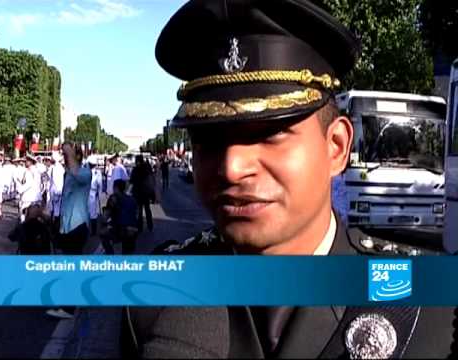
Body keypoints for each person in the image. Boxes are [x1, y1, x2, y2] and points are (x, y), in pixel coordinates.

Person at [121, 1, 456, 358]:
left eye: (270, 133)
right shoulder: (153, 304)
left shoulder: (431, 309)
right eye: (209, 141)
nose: (232, 166)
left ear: (336, 147)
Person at [46, 143, 91, 320]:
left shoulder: (85, 173)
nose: (65, 159)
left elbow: (77, 172)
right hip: (68, 225)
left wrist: (69, 153)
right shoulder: (68, 173)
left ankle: (69, 308)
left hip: (77, 226)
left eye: (68, 157)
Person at [100, 179, 138, 255]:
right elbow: (136, 214)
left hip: (121, 230)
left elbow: (105, 217)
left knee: (102, 233)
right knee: (128, 253)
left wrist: (104, 222)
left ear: (116, 188)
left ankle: (110, 255)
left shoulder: (113, 198)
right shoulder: (132, 199)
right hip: (134, 230)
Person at [129, 155, 154, 232]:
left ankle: (140, 227)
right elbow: (150, 180)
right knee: (147, 209)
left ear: (137, 161)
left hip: (137, 193)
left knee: (139, 211)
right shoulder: (147, 169)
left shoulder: (135, 170)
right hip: (146, 193)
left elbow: (131, 180)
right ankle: (150, 225)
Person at [16, 155, 42, 223]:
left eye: (27, 161)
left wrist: (20, 190)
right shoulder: (35, 170)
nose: (25, 162)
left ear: (31, 162)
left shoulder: (30, 171)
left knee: (23, 214)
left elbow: (29, 183)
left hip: (28, 196)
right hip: (35, 196)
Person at [87, 155, 102, 236]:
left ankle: (93, 231)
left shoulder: (97, 173)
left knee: (93, 213)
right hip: (86, 194)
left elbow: (100, 185)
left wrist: (99, 196)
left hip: (92, 194)